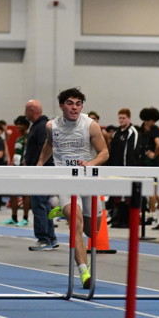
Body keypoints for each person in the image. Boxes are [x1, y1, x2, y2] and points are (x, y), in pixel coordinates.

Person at [36, 88, 110, 288]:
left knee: (92, 231)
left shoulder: (90, 126)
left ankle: (63, 209)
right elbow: (49, 144)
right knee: (75, 225)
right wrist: (40, 164)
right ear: (61, 106)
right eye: (70, 103)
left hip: (88, 179)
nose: (74, 108)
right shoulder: (51, 126)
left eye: (78, 104)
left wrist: (91, 164)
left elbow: (104, 152)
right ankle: (84, 271)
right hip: (65, 180)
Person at [24, 99, 58, 250]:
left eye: (26, 110)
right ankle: (51, 237)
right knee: (44, 204)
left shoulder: (42, 127)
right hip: (41, 170)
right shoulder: (38, 126)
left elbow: (43, 151)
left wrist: (35, 167)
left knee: (39, 204)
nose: (25, 113)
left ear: (31, 110)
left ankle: (44, 238)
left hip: (41, 171)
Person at [4, 115, 31, 226]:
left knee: (25, 194)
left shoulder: (28, 138)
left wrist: (25, 165)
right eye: (17, 124)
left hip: (24, 168)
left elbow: (28, 153)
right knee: (13, 193)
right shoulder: (18, 138)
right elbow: (16, 153)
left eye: (21, 124)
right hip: (15, 167)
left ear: (26, 125)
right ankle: (14, 217)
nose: (18, 126)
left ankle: (25, 218)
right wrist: (11, 164)